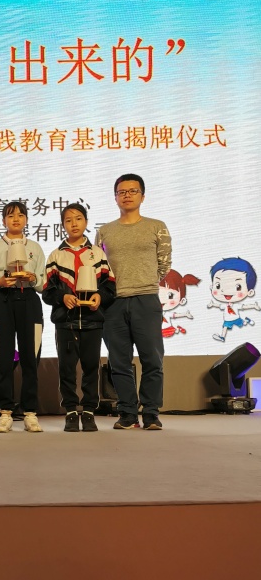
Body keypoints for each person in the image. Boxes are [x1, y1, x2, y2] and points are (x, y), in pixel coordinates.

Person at [94, 174, 171, 431]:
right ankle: (127, 413)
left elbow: (164, 263)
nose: (127, 195)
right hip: (113, 303)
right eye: (122, 192)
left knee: (152, 360)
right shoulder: (105, 231)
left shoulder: (156, 226)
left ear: (143, 196)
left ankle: (151, 414)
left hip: (146, 300)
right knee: (119, 362)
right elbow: (98, 267)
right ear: (115, 197)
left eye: (132, 191)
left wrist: (145, 281)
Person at [43, 203, 116, 432]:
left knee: (91, 367)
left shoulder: (98, 254)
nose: (73, 224)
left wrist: (99, 297)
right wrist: (63, 297)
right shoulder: (56, 255)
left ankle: (89, 411)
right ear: (62, 225)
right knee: (66, 368)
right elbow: (47, 292)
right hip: (66, 322)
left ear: (86, 222)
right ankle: (71, 411)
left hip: (93, 321)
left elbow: (110, 287)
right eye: (68, 220)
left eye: (78, 219)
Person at [0, 200, 46, 434]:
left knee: (30, 357)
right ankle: (5, 412)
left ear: (26, 219)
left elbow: (43, 283)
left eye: (20, 215)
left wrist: (33, 278)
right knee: (4, 358)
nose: (16, 219)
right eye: (10, 216)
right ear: (3, 221)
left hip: (29, 300)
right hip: (3, 301)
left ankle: (30, 413)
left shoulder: (35, 248)